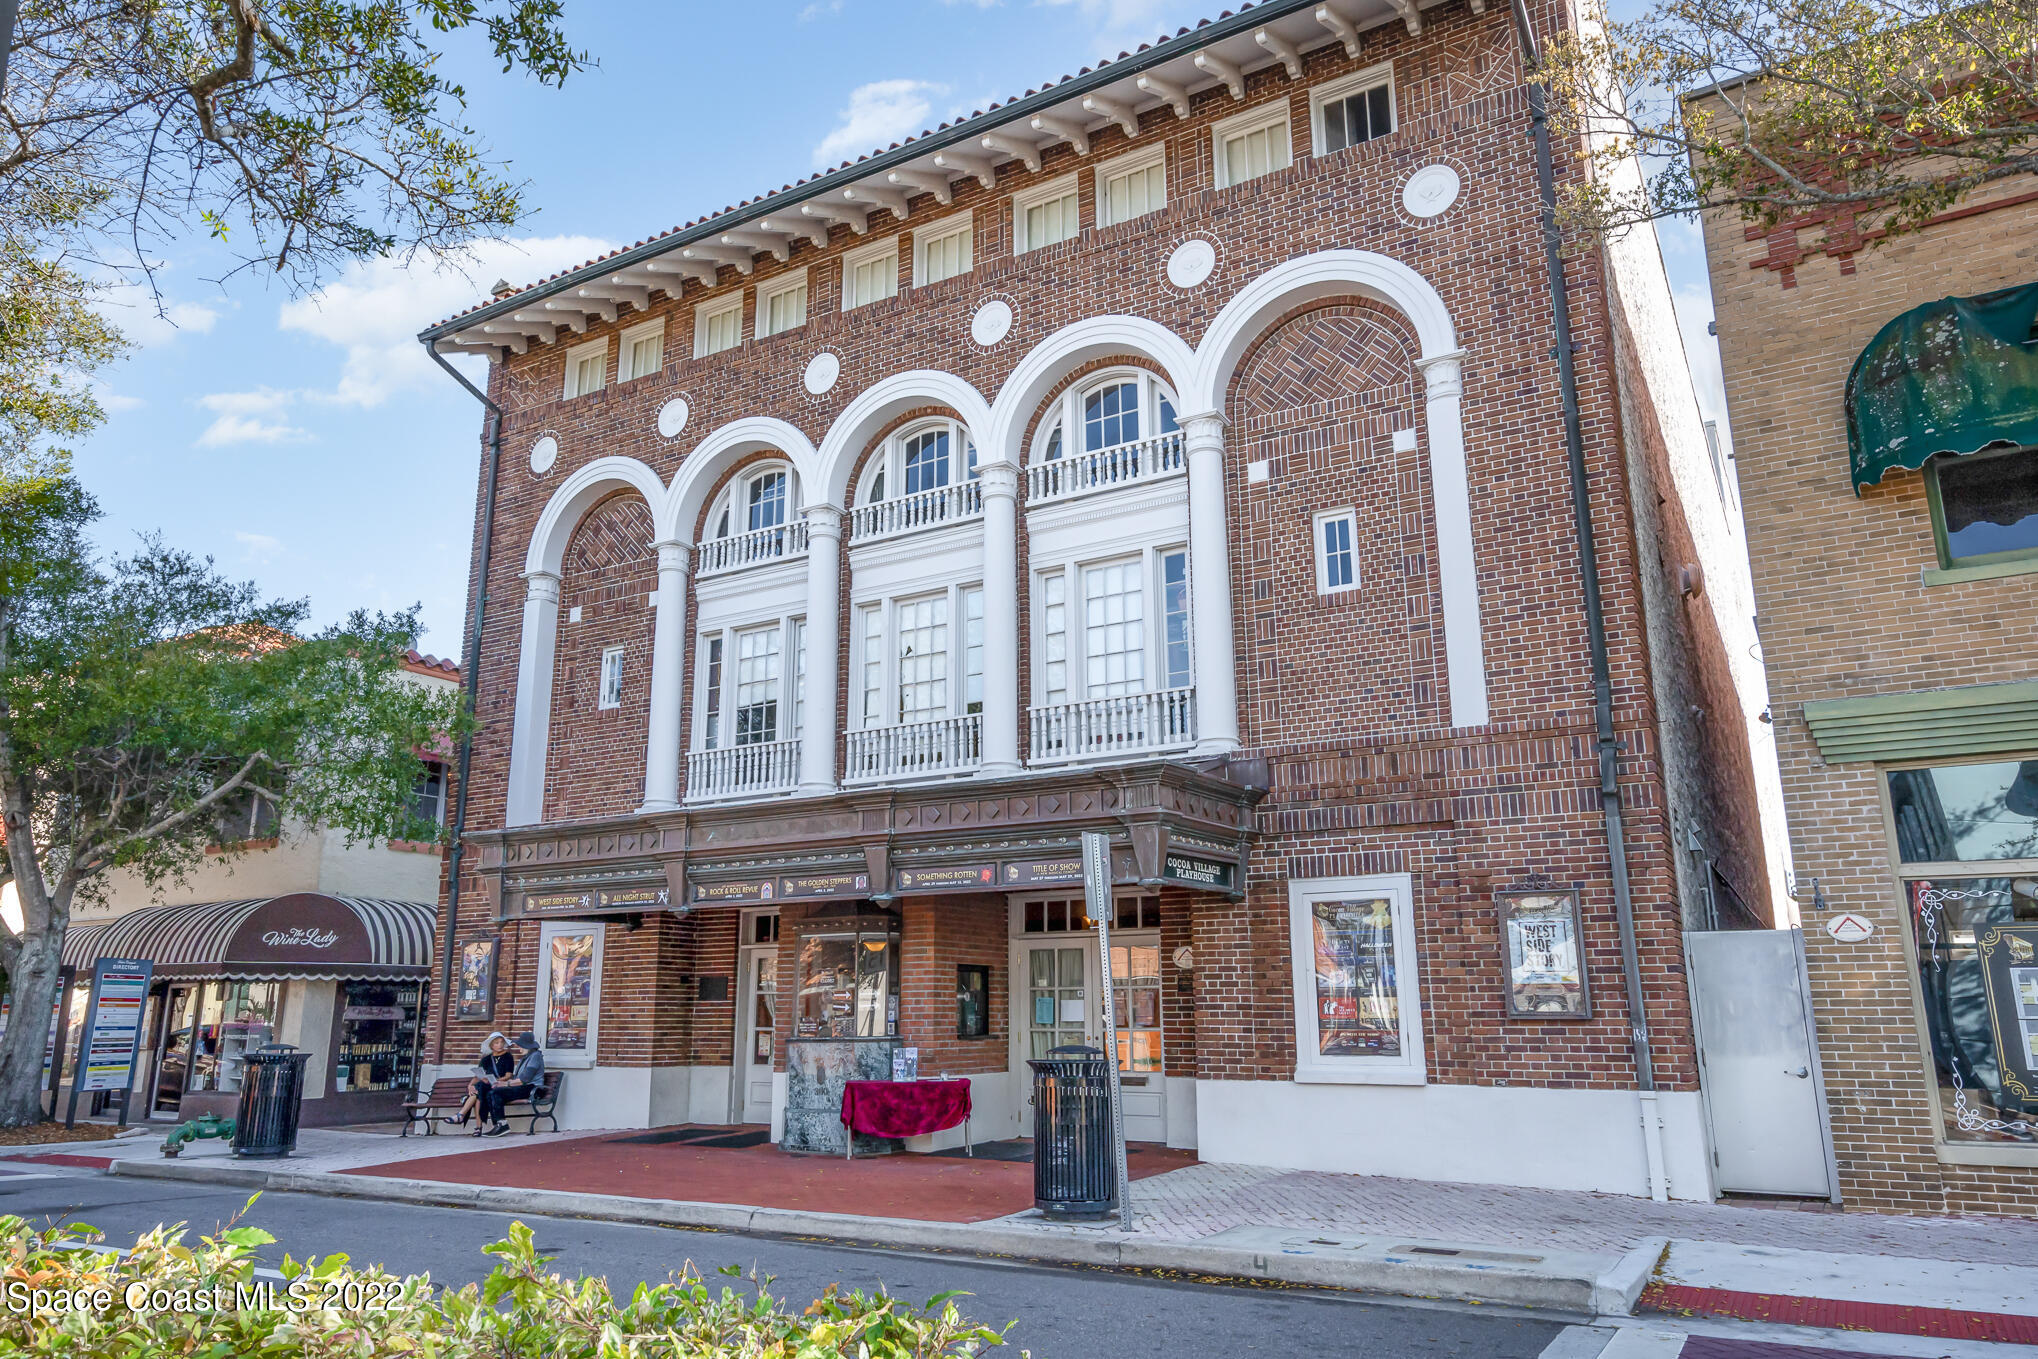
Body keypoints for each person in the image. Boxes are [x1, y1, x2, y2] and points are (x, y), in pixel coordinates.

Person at [479, 1032, 545, 1136]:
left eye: (520, 1045)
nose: (519, 1047)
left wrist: (505, 1084)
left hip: (533, 1089)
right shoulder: (526, 1057)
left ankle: (501, 1125)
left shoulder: (535, 1056)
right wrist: (500, 1082)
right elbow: (518, 1078)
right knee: (491, 1093)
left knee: (496, 1093)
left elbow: (525, 1079)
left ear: (527, 1046)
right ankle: (499, 1125)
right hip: (524, 1087)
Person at [443, 1031, 512, 1128]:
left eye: (501, 1042)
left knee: (479, 1089)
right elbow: (478, 1075)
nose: (500, 1045)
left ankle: (463, 1116)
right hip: (485, 1085)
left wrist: (498, 1080)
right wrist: (470, 1085)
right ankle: (473, 1124)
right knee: (478, 1091)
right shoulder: (486, 1059)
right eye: (497, 1043)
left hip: (498, 1086)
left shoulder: (508, 1056)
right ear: (491, 1045)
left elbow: (509, 1075)